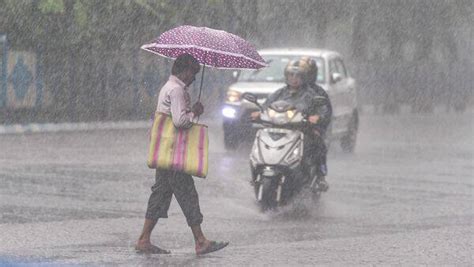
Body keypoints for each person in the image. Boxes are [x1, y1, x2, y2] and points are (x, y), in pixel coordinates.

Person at [136, 54, 229, 255]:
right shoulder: (177, 90)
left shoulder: (167, 87)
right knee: (187, 194)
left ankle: (144, 239)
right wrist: (194, 112)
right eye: (193, 73)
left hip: (165, 152)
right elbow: (179, 121)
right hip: (174, 154)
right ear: (185, 71)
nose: (194, 78)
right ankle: (200, 241)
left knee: (160, 195)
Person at [250, 58, 331, 191]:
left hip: (302, 129)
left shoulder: (311, 94)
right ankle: (258, 168)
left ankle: (320, 176)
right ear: (286, 76)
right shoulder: (279, 93)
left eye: (298, 76)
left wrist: (317, 117)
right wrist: (259, 113)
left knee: (318, 143)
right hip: (278, 128)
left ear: (304, 77)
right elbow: (266, 106)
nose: (294, 79)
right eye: (291, 75)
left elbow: (323, 109)